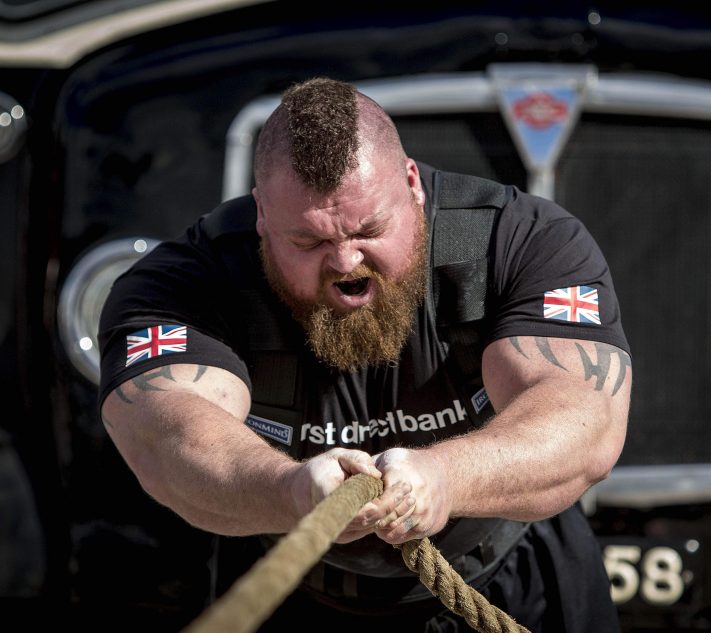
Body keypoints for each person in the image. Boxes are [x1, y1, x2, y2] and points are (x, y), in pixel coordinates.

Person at [97, 76, 631, 632]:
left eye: (369, 230)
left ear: (412, 184)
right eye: (309, 242)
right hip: (293, 590)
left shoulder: (525, 243)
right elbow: (170, 438)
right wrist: (292, 490)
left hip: (514, 576)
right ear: (261, 214)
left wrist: (444, 476)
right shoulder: (183, 286)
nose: (346, 263)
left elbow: (583, 417)